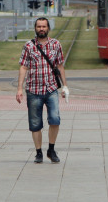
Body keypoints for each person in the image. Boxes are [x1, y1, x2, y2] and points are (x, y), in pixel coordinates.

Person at [16, 17, 69, 164]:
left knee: (55, 119)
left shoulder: (56, 44)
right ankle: (38, 152)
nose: (41, 29)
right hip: (33, 90)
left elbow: (60, 66)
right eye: (39, 26)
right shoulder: (28, 46)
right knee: (35, 123)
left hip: (51, 88)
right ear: (35, 28)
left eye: (44, 26)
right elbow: (23, 67)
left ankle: (51, 149)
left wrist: (64, 86)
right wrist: (19, 88)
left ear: (48, 28)